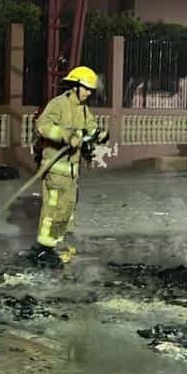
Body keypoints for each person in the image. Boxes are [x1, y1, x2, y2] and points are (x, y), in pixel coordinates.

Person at [33, 66, 107, 266]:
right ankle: (44, 249)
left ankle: (56, 244)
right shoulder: (59, 104)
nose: (89, 93)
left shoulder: (83, 109)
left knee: (67, 209)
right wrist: (67, 136)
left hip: (72, 172)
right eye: (86, 88)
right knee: (53, 209)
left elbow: (90, 126)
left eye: (91, 89)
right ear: (75, 86)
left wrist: (99, 134)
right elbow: (43, 126)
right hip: (56, 168)